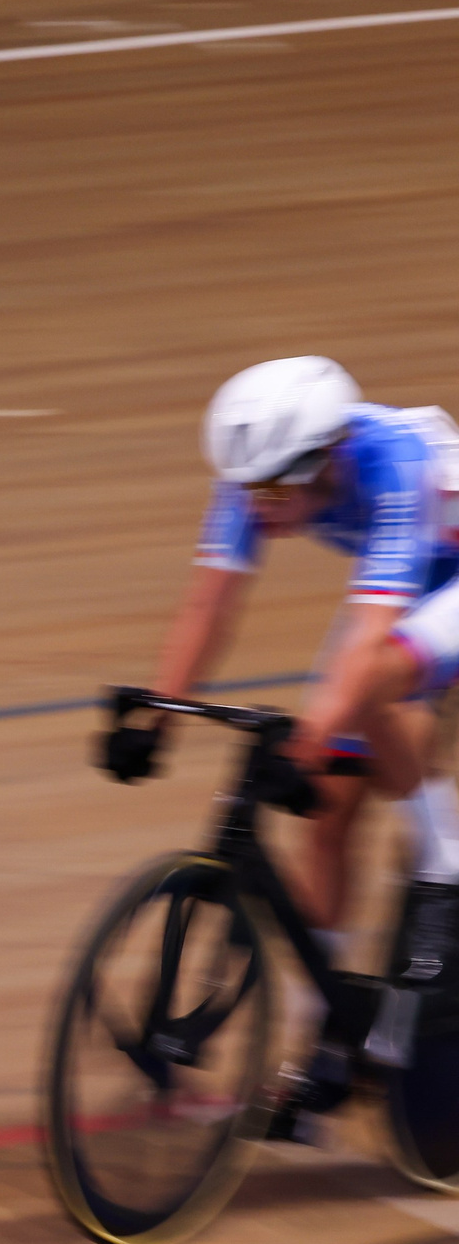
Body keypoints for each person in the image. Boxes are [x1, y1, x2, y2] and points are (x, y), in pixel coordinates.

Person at [109, 355, 459, 1075]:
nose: (255, 506)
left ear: (326, 458)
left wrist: (309, 740)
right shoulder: (255, 478)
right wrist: (159, 718)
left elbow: (368, 639)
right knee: (328, 816)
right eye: (245, 488)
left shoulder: (394, 464)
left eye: (271, 489)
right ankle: (321, 1038)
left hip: (443, 577)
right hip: (416, 582)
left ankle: (444, 859)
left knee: (372, 681)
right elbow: (209, 604)